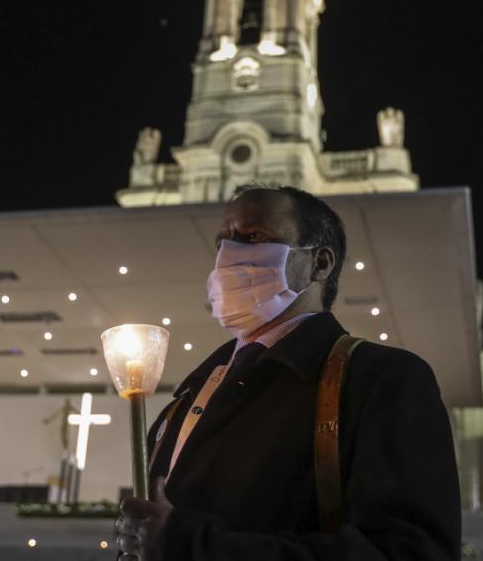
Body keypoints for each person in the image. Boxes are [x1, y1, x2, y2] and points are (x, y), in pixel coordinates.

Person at [114, 184, 461, 560]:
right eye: (223, 241)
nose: (229, 255)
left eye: (253, 236)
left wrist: (190, 544)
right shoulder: (190, 396)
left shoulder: (380, 380)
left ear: (320, 263)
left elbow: (411, 552)